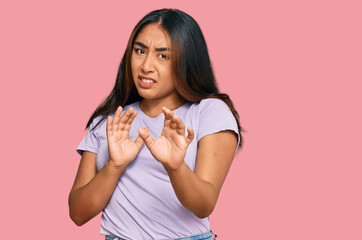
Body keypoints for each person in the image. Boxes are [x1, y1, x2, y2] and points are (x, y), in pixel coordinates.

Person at [69, 8, 243, 240]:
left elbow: (205, 204)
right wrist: (114, 166)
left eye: (163, 55)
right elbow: (78, 214)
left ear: (187, 61)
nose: (146, 66)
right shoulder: (111, 120)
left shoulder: (209, 112)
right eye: (140, 51)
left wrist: (175, 167)